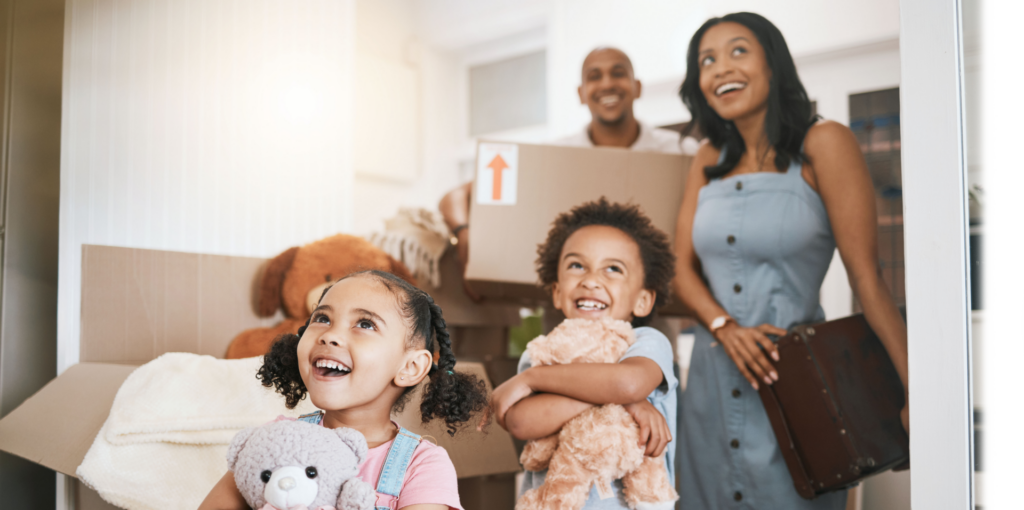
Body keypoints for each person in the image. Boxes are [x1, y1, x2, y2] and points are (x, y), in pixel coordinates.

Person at [672, 12, 910, 509]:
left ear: (773, 64)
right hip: (710, 393)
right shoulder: (706, 157)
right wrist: (724, 327)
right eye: (706, 60)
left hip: (799, 387)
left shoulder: (825, 143)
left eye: (739, 50)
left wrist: (914, 388)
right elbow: (679, 268)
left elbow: (867, 279)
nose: (720, 69)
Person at [199, 270, 489, 510]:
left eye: (365, 324)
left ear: (410, 367)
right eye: (322, 318)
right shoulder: (276, 440)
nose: (330, 335)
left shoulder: (422, 464)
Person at [438, 47, 691, 298]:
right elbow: (455, 197)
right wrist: (465, 236)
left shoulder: (681, 152)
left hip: (649, 311)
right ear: (581, 94)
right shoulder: (556, 155)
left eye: (618, 73)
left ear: (638, 87)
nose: (607, 84)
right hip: (569, 309)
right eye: (594, 76)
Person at [483, 198, 679, 509]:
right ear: (557, 292)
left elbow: (629, 382)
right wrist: (624, 400)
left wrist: (535, 380)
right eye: (577, 266)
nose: (591, 280)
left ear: (642, 300)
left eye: (613, 269)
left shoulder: (646, 342)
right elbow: (522, 423)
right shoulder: (544, 352)